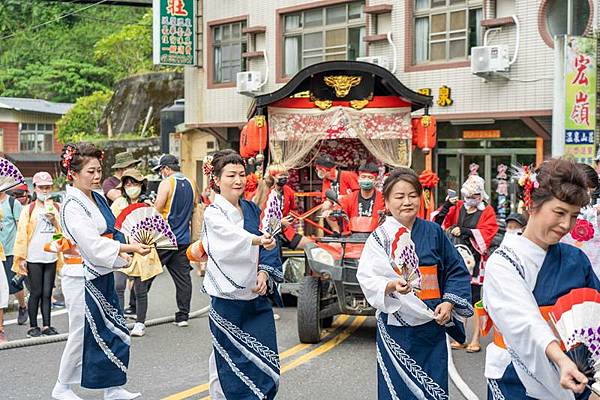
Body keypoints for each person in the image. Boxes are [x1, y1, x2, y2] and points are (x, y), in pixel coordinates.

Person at [483, 159, 600, 400]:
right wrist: (559, 358)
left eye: (574, 216)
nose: (566, 224)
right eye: (559, 212)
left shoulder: (576, 259)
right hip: (513, 375)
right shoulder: (504, 261)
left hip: (574, 375)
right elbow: (525, 320)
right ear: (532, 204)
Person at [356, 167, 473, 400]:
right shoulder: (380, 238)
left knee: (433, 388)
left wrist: (449, 302)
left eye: (412, 195)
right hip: (395, 328)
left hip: (432, 323)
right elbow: (368, 276)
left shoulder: (434, 232)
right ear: (387, 202)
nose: (407, 201)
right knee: (397, 390)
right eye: (399, 197)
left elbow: (455, 270)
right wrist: (390, 286)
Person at [54, 143, 150, 400]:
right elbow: (93, 245)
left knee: (113, 329)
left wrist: (125, 246)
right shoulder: (72, 205)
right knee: (81, 331)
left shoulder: (96, 197)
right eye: (91, 171)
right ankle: (61, 385)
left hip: (102, 270)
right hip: (81, 275)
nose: (97, 177)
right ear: (73, 174)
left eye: (99, 171)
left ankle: (112, 386)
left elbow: (112, 228)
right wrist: (127, 248)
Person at [202, 149, 282, 399]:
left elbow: (271, 243)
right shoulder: (213, 213)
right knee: (228, 355)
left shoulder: (250, 209)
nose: (238, 180)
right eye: (230, 175)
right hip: (227, 297)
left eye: (241, 174)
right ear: (216, 179)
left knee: (262, 352)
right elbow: (230, 237)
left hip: (255, 294)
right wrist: (259, 240)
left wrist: (265, 273)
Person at [434, 173, 498, 353]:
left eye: (475, 196)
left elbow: (488, 233)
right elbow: (439, 221)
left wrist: (465, 231)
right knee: (458, 295)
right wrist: (447, 205)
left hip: (476, 258)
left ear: (481, 195)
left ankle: (476, 338)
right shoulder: (459, 206)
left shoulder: (487, 211)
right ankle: (460, 336)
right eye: (468, 196)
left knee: (476, 298)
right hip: (457, 257)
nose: (471, 199)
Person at [12, 172, 62, 337]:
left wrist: (54, 220)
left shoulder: (57, 208)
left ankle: (47, 325)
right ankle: (33, 326)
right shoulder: (29, 209)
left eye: (47, 187)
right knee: (36, 292)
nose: (45, 190)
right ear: (35, 188)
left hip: (51, 256)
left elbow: (61, 233)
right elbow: (21, 236)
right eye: (41, 187)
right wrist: (21, 258)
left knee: (48, 292)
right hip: (33, 257)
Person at [153, 153, 199, 326]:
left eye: (161, 170)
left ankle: (136, 311)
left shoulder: (167, 183)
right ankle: (183, 316)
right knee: (183, 279)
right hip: (183, 239)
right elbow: (195, 206)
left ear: (166, 169)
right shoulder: (191, 183)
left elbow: (157, 208)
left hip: (165, 238)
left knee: (146, 274)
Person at [111, 168, 151, 337]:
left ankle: (140, 323)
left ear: (141, 185)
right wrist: (119, 246)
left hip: (142, 250)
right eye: (127, 184)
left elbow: (155, 229)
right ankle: (120, 321)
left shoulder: (148, 205)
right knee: (118, 286)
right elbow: (112, 226)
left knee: (140, 289)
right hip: (122, 249)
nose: (130, 186)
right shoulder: (118, 204)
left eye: (134, 183)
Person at [254, 163, 311, 250]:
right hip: (266, 234)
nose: (285, 178)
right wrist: (279, 222)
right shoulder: (264, 192)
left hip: (285, 231)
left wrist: (289, 219)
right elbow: (262, 219)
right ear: (272, 177)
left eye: (286, 175)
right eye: (281, 175)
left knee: (310, 245)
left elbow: (293, 209)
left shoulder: (288, 190)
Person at [560, 163, 600, 279]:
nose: (588, 195)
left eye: (591, 192)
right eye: (586, 190)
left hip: (593, 272)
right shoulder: (560, 206)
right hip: (567, 270)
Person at [327, 161, 385, 234]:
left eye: (370, 177)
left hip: (377, 237)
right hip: (351, 237)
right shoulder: (349, 198)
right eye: (363, 177)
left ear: (376, 180)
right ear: (358, 178)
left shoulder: (383, 199)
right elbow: (338, 208)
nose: (366, 180)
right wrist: (332, 212)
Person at [0, 188, 27, 325]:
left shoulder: (13, 203)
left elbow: (20, 227)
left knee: (14, 284)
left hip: (11, 250)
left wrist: (22, 251)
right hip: (0, 253)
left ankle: (23, 306)